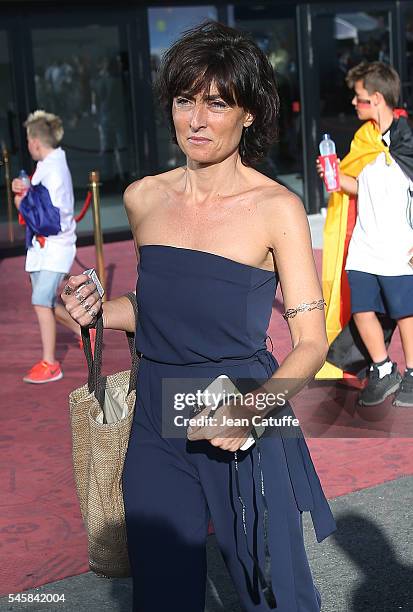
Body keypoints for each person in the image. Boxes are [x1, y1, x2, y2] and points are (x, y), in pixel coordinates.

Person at [62, 21, 336, 612]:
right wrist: (95, 311)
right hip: (158, 415)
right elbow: (158, 311)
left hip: (245, 404)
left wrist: (253, 409)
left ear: (250, 114)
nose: (196, 119)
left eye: (217, 103)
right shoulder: (144, 198)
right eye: (185, 100)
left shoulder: (276, 208)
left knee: (274, 591)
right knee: (162, 593)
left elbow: (312, 342)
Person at [317, 62, 413, 407]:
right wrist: (337, 179)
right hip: (364, 244)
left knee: (404, 311)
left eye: (358, 99)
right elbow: (361, 186)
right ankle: (383, 369)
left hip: (400, 244)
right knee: (362, 307)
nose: (354, 105)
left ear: (375, 98)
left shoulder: (408, 137)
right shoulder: (364, 139)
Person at [12, 110, 81, 383]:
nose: (28, 145)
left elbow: (48, 219)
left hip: (55, 245)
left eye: (29, 140)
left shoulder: (51, 169)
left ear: (35, 142)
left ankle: (51, 364)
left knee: (41, 301)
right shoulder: (49, 164)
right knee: (45, 301)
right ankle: (82, 329)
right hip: (46, 247)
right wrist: (26, 190)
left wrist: (21, 203)